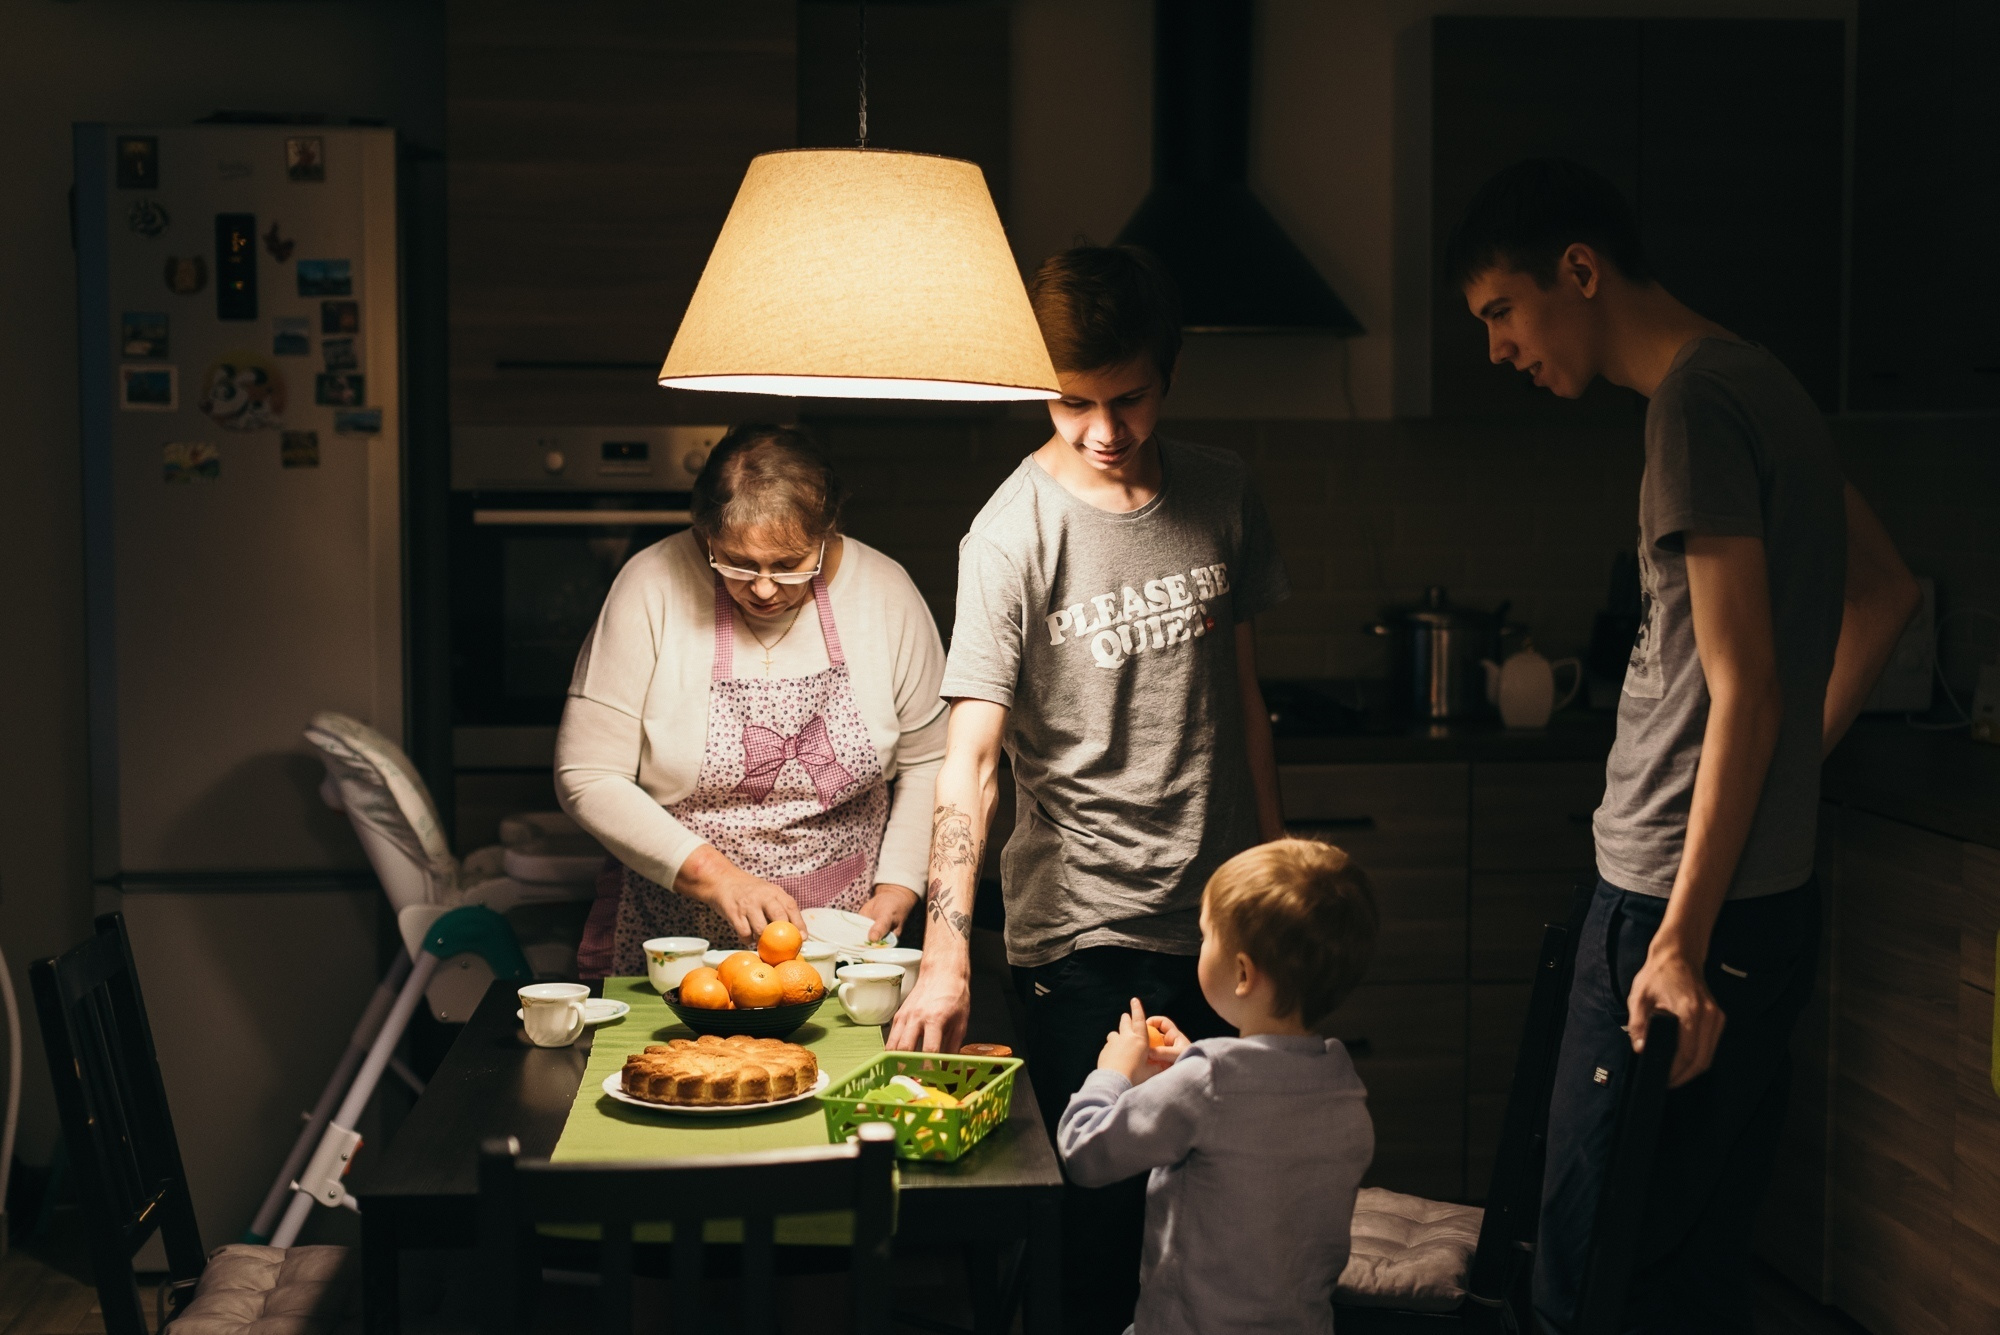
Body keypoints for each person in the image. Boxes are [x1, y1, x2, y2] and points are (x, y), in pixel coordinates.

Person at [1445, 158, 1921, 1332]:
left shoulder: (1691, 409)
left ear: (1578, 270)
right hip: (1755, 901)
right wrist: (1773, 790)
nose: (1497, 350)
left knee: (1586, 1269)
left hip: (1667, 903)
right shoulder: (1765, 385)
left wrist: (1675, 939)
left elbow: (1744, 685)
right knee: (1687, 1266)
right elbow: (1886, 594)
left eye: (1501, 312)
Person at [887, 245, 1291, 1332]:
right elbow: (968, 756)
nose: (1104, 429)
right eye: (1073, 403)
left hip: (1221, 924)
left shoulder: (1222, 493)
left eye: (1129, 397)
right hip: (1083, 934)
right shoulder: (1008, 533)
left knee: (1217, 1225)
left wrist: (1278, 880)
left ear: (1168, 374)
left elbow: (1242, 700)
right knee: (1095, 1249)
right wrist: (943, 955)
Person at [555, 424, 946, 975]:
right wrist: (717, 877)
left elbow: (931, 758)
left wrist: (901, 883)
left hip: (846, 936)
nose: (763, 589)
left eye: (788, 565)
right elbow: (587, 775)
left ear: (827, 531)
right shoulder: (650, 585)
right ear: (704, 533)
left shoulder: (884, 592)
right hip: (680, 933)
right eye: (737, 562)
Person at [1057, 839, 1379, 1335]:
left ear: (1244, 973)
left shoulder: (1207, 1084)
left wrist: (1112, 1071)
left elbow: (1084, 1152)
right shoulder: (1342, 1086)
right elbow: (1259, 1113)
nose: (1199, 946)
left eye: (1206, 937)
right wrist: (1191, 1060)